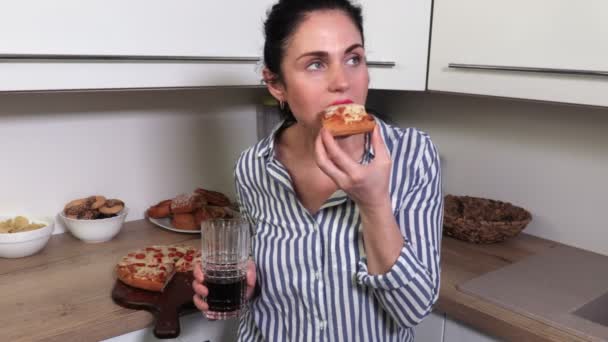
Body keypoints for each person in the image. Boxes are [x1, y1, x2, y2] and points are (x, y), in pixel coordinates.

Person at [193, 0, 443, 340]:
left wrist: (374, 205)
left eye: (353, 58)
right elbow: (266, 279)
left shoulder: (413, 155)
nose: (342, 82)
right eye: (315, 64)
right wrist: (249, 285)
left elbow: (413, 309)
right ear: (276, 84)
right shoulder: (253, 168)